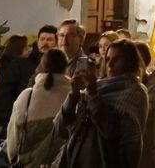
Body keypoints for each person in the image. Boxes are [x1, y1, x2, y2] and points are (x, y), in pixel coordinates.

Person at [54, 39, 147, 168]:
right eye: (107, 59)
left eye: (116, 60)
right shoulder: (98, 86)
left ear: (129, 62)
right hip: (76, 158)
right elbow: (61, 128)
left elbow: (111, 131)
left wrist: (93, 95)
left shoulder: (134, 91)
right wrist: (74, 94)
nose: (110, 64)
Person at [7, 48, 72, 168]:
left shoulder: (27, 97)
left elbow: (12, 145)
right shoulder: (74, 96)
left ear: (40, 67)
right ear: (66, 68)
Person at [0, 34, 36, 133]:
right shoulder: (11, 69)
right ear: (19, 49)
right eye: (26, 46)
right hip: (10, 118)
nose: (29, 49)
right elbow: (4, 97)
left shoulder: (4, 65)